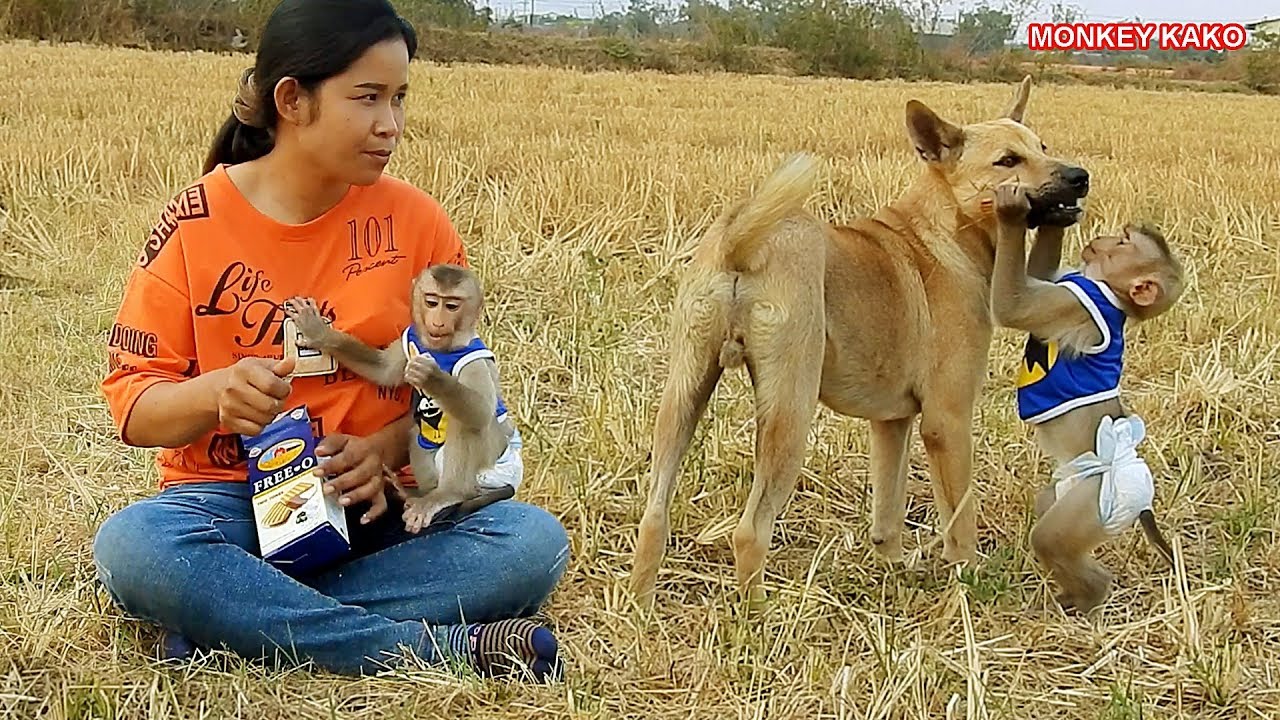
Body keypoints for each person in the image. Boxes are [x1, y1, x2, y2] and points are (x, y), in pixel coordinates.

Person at [92, 0, 569, 680]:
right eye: (368, 98)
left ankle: (231, 623)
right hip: (230, 508)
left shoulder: (419, 225)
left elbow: (461, 394)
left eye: (399, 98)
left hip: (379, 512)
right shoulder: (195, 222)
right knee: (135, 544)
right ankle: (432, 650)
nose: (392, 124)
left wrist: (383, 449)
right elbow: (134, 408)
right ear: (293, 100)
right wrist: (216, 394)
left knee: (531, 542)